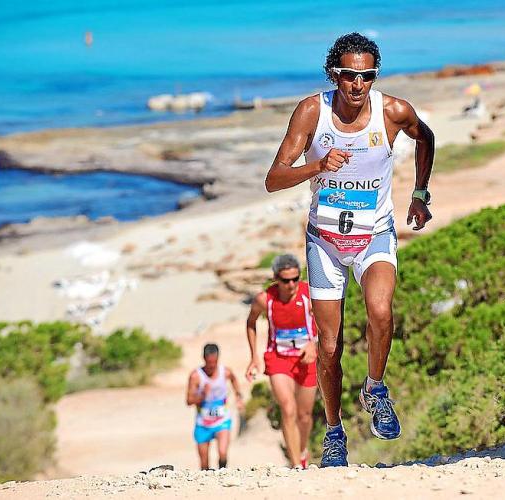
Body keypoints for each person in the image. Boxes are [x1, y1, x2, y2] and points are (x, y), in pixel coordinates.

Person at [264, 32, 435, 467]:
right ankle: (335, 433)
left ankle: (375, 389)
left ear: (375, 76)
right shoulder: (312, 112)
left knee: (380, 311)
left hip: (374, 234)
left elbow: (426, 138)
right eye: (348, 75)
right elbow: (273, 179)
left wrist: (420, 194)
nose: (357, 84)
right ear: (333, 74)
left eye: (367, 75)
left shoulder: (393, 112)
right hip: (325, 242)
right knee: (328, 346)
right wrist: (318, 166)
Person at [245, 254, 318, 468]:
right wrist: (254, 356)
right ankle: (296, 465)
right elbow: (250, 322)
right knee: (288, 409)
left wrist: (313, 343)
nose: (291, 285)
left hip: (306, 358)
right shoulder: (265, 299)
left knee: (304, 416)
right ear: (276, 279)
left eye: (295, 279)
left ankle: (301, 451)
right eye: (286, 281)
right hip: (278, 359)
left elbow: (328, 321)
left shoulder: (309, 294)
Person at [186, 343, 244, 470]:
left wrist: (239, 396)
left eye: (214, 362)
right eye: (209, 363)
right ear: (204, 358)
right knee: (204, 464)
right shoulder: (196, 376)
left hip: (222, 420)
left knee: (223, 453)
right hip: (203, 423)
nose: (212, 366)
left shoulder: (226, 372)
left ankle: (222, 474)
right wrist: (202, 395)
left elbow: (234, 380)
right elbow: (189, 401)